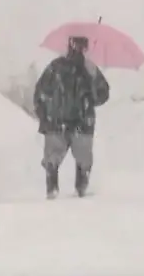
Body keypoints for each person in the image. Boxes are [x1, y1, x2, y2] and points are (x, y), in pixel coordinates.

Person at [34, 35, 110, 199]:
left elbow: (40, 92)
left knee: (58, 157)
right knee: (79, 158)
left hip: (61, 120)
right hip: (75, 121)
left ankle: (58, 188)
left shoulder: (57, 67)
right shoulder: (83, 68)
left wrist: (43, 115)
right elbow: (103, 95)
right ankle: (77, 188)